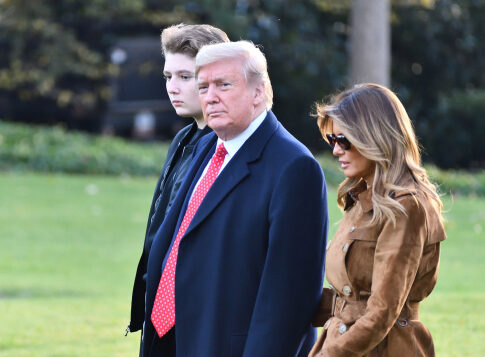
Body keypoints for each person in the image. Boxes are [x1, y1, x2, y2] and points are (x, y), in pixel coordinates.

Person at [143, 41, 328, 357]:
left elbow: (289, 298)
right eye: (203, 87)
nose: (210, 96)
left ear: (259, 92)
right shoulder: (207, 148)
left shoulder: (294, 167)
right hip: (173, 339)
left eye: (223, 85)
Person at [309, 83, 446, 357]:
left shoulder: (406, 206)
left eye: (344, 140)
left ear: (374, 137)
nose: (336, 150)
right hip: (345, 344)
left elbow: (382, 312)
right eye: (332, 140)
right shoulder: (362, 197)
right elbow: (350, 298)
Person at [127, 24, 229, 341]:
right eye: (168, 77)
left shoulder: (227, 148)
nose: (173, 87)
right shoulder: (184, 138)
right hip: (159, 308)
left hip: (196, 317)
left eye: (185, 77)